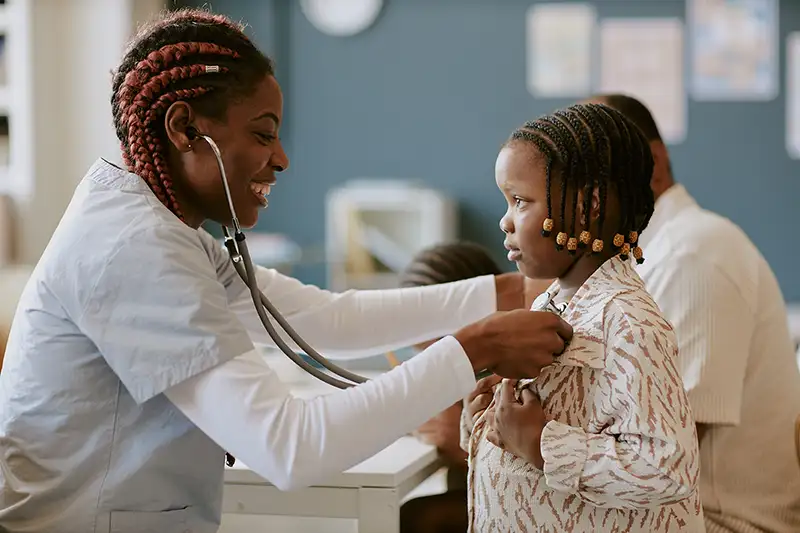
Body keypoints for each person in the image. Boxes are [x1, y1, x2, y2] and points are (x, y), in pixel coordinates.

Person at [0, 9, 574, 533]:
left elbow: (325, 320)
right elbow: (289, 449)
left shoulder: (163, 233)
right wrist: (472, 350)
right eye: (262, 133)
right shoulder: (131, 251)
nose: (282, 158)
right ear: (182, 129)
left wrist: (507, 292)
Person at [461, 103, 704, 532]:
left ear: (588, 206)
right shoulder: (547, 307)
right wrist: (487, 423)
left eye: (519, 201)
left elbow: (667, 466)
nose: (504, 221)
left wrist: (540, 444)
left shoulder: (629, 322)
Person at [585, 93, 800, 533]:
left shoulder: (692, 254)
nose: (577, 196)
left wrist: (529, 444)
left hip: (726, 522)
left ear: (654, 162)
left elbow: (665, 449)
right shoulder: (647, 257)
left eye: (594, 173)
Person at [397, 241, 548, 533]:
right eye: (421, 354)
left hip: (531, 502)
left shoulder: (519, 367)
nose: (431, 362)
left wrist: (463, 444)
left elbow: (531, 461)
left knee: (416, 519)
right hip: (502, 496)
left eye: (439, 348)